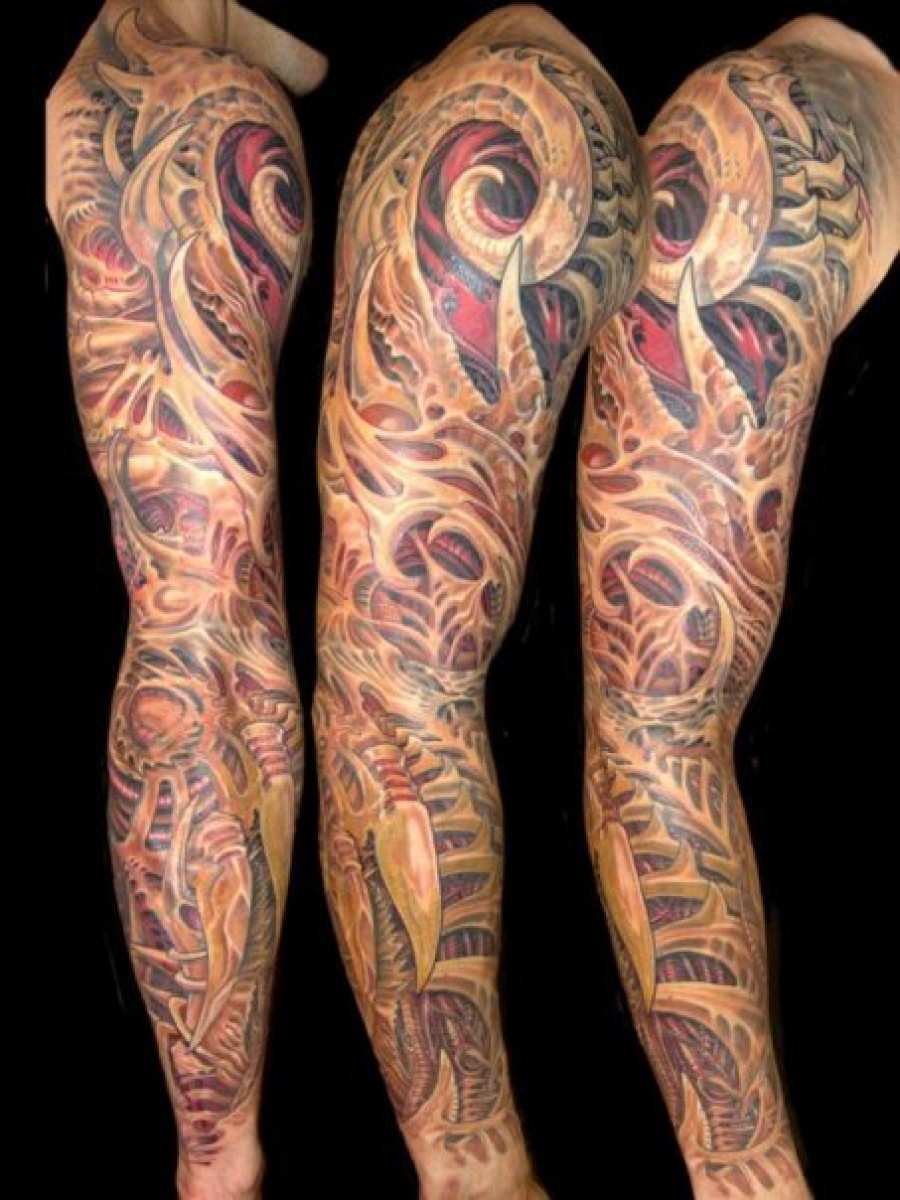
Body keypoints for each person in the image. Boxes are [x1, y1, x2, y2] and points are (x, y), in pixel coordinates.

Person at [313, 6, 898, 1198]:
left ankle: (476, 1173)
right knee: (659, 726)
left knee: (399, 686)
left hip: (498, 127)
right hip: (784, 146)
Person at [46, 3, 325, 1197]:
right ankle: (217, 1164)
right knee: (199, 626)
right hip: (189, 122)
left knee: (199, 622)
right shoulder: (176, 94)